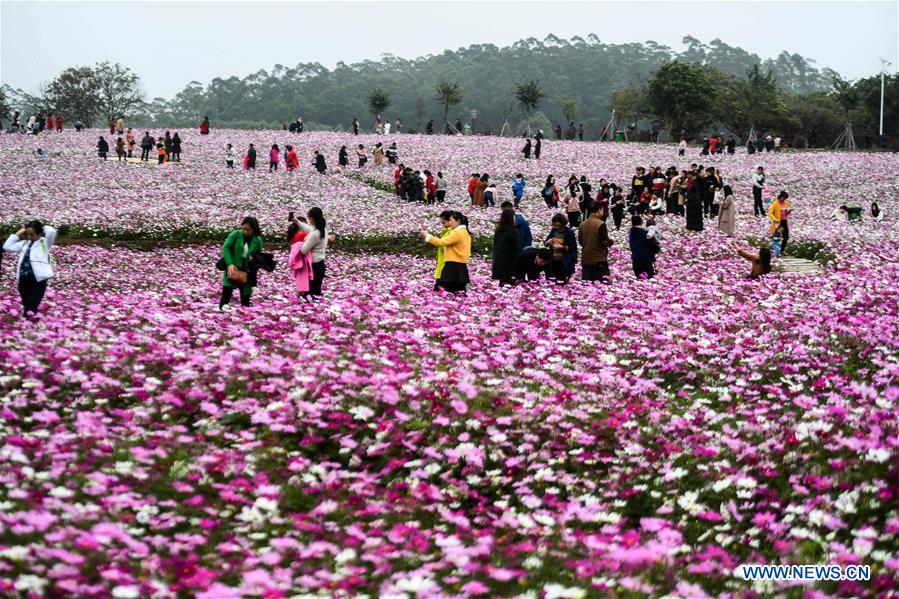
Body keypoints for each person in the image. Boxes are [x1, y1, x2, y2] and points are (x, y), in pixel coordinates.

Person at [4, 220, 58, 318]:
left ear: (39, 232)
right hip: (23, 279)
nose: (29, 237)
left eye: (32, 234)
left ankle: (29, 327)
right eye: (27, 234)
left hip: (38, 280)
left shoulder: (45, 243)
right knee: (27, 306)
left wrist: (40, 227)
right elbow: (7, 246)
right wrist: (18, 233)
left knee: (30, 308)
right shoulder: (25, 243)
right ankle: (35, 324)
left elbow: (52, 231)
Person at [422, 211, 471, 293]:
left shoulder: (457, 232)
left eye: (451, 220)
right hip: (460, 265)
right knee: (458, 290)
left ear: (458, 221)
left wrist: (427, 236)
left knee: (448, 290)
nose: (449, 222)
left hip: (453, 265)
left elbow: (441, 243)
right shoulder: (464, 232)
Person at [219, 217, 262, 309]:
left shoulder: (257, 240)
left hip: (247, 272)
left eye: (248, 230)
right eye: (244, 229)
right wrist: (229, 263)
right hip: (233, 269)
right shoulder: (236, 234)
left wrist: (253, 258)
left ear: (254, 229)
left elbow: (259, 256)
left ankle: (245, 318)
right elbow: (225, 247)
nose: (245, 231)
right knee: (226, 295)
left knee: (245, 299)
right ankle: (222, 312)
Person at [294, 207, 328, 298]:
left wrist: (297, 245)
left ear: (312, 218)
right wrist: (297, 222)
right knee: (315, 292)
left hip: (313, 267)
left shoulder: (315, 234)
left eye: (308, 217)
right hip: (320, 264)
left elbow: (303, 251)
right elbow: (309, 229)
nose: (308, 219)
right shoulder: (322, 230)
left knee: (310, 294)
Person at [578, 202, 614, 283]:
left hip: (586, 259)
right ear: (599, 210)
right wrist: (611, 242)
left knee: (587, 286)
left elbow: (581, 241)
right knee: (601, 284)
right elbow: (604, 241)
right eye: (602, 210)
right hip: (598, 259)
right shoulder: (600, 224)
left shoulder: (582, 224)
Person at [545, 213, 577, 283]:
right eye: (555, 225)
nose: (556, 227)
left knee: (562, 281)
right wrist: (548, 242)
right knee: (553, 281)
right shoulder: (553, 231)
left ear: (562, 223)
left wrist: (562, 247)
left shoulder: (569, 233)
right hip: (553, 260)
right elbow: (546, 242)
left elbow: (573, 248)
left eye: (558, 225)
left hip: (564, 261)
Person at [492, 207, 520, 286]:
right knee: (508, 282)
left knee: (502, 282)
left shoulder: (498, 230)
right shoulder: (511, 231)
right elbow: (516, 247)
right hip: (508, 261)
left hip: (498, 259)